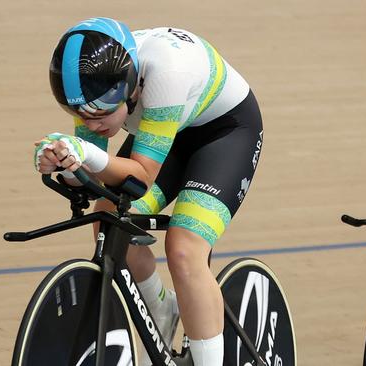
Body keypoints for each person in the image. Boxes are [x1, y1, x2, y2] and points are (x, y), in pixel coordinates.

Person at [33, 17, 264, 365]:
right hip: (165, 135)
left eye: (99, 113)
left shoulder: (166, 74)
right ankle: (162, 309)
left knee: (184, 248)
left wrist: (84, 154)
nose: (91, 123)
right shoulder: (95, 88)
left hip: (224, 134)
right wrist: (63, 164)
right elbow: (91, 176)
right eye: (78, 113)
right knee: (109, 221)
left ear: (127, 86)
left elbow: (139, 179)